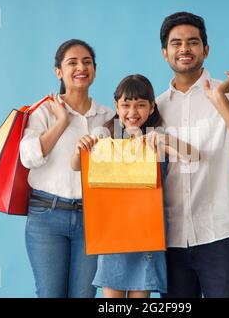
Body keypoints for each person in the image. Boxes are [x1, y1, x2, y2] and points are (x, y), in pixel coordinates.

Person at [157, 12, 229, 298]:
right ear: (164, 53)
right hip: (168, 240)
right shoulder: (154, 108)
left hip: (220, 237)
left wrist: (220, 101)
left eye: (193, 42)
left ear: (206, 50)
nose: (184, 49)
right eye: (176, 43)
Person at [71, 74, 197, 298]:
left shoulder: (155, 137)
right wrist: (80, 147)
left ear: (151, 108)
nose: (132, 112)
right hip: (112, 234)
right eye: (126, 105)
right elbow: (76, 166)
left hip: (146, 232)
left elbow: (190, 156)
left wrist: (165, 141)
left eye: (140, 105)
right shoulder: (105, 136)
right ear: (116, 107)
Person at [19, 39, 114, 298]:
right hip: (46, 216)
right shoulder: (43, 111)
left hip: (91, 219)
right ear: (58, 72)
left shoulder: (109, 115)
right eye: (72, 62)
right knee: (50, 294)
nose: (80, 67)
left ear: (94, 69)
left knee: (84, 295)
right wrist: (62, 121)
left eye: (87, 62)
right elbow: (28, 158)